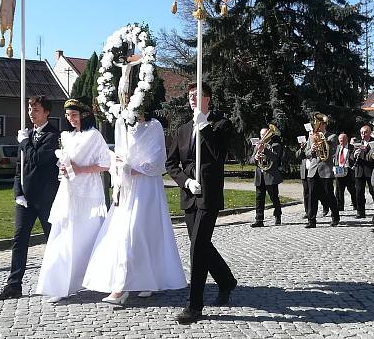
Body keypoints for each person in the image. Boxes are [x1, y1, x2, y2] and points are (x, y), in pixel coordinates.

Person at [84, 112, 186, 304]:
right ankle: (121, 286)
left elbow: (157, 159)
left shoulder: (153, 125)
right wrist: (119, 166)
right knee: (122, 234)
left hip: (146, 188)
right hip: (127, 187)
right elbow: (119, 153)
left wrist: (135, 168)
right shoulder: (122, 124)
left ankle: (141, 281)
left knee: (141, 232)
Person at [166, 82, 237, 324]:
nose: (193, 99)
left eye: (197, 95)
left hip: (209, 195)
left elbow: (219, 154)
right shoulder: (183, 130)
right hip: (190, 194)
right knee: (202, 244)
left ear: (208, 98)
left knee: (197, 247)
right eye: (190, 96)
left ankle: (194, 306)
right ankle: (226, 281)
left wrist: (204, 126)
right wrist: (185, 182)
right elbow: (171, 163)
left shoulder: (221, 125)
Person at [34, 98, 110, 303]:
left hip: (88, 194)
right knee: (63, 236)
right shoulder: (66, 136)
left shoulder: (94, 136)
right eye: (68, 116)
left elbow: (105, 164)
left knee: (88, 236)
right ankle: (61, 284)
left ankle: (100, 278)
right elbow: (64, 161)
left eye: (74, 115)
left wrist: (80, 169)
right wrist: (64, 167)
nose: (70, 119)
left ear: (84, 115)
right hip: (68, 191)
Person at [0, 96, 60, 300]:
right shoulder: (28, 134)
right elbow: (19, 168)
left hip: (47, 198)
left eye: (36, 109)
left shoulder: (53, 135)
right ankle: (14, 285)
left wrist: (24, 142)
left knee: (53, 241)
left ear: (46, 112)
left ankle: (58, 282)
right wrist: (18, 192)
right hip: (25, 199)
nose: (31, 113)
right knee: (19, 240)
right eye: (30, 108)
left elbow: (38, 159)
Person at [302, 113, 340, 228]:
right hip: (313, 170)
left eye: (320, 124)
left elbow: (332, 153)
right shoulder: (311, 137)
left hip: (326, 170)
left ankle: (335, 216)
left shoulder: (332, 136)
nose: (317, 126)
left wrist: (324, 144)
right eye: (317, 124)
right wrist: (312, 150)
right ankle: (311, 220)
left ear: (325, 125)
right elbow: (307, 153)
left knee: (329, 195)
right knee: (311, 196)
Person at [249, 126, 283, 227]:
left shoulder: (276, 145)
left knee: (274, 198)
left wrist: (265, 150)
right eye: (262, 135)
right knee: (259, 198)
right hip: (260, 175)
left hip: (271, 176)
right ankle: (259, 219)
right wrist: (255, 158)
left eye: (265, 135)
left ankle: (278, 215)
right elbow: (251, 161)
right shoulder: (257, 146)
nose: (263, 137)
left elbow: (275, 158)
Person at [351, 125, 373, 219]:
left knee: (373, 191)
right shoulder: (358, 143)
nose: (363, 134)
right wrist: (355, 154)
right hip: (359, 170)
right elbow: (351, 156)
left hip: (370, 170)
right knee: (359, 192)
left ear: (370, 132)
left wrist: (366, 149)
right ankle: (360, 212)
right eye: (362, 133)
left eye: (365, 132)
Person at [333, 133, 356, 214]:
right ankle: (340, 206)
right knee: (339, 190)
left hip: (348, 170)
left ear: (346, 139)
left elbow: (354, 158)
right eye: (340, 140)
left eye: (342, 140)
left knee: (352, 189)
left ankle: (356, 205)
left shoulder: (352, 147)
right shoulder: (337, 147)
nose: (341, 142)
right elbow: (335, 157)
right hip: (339, 170)